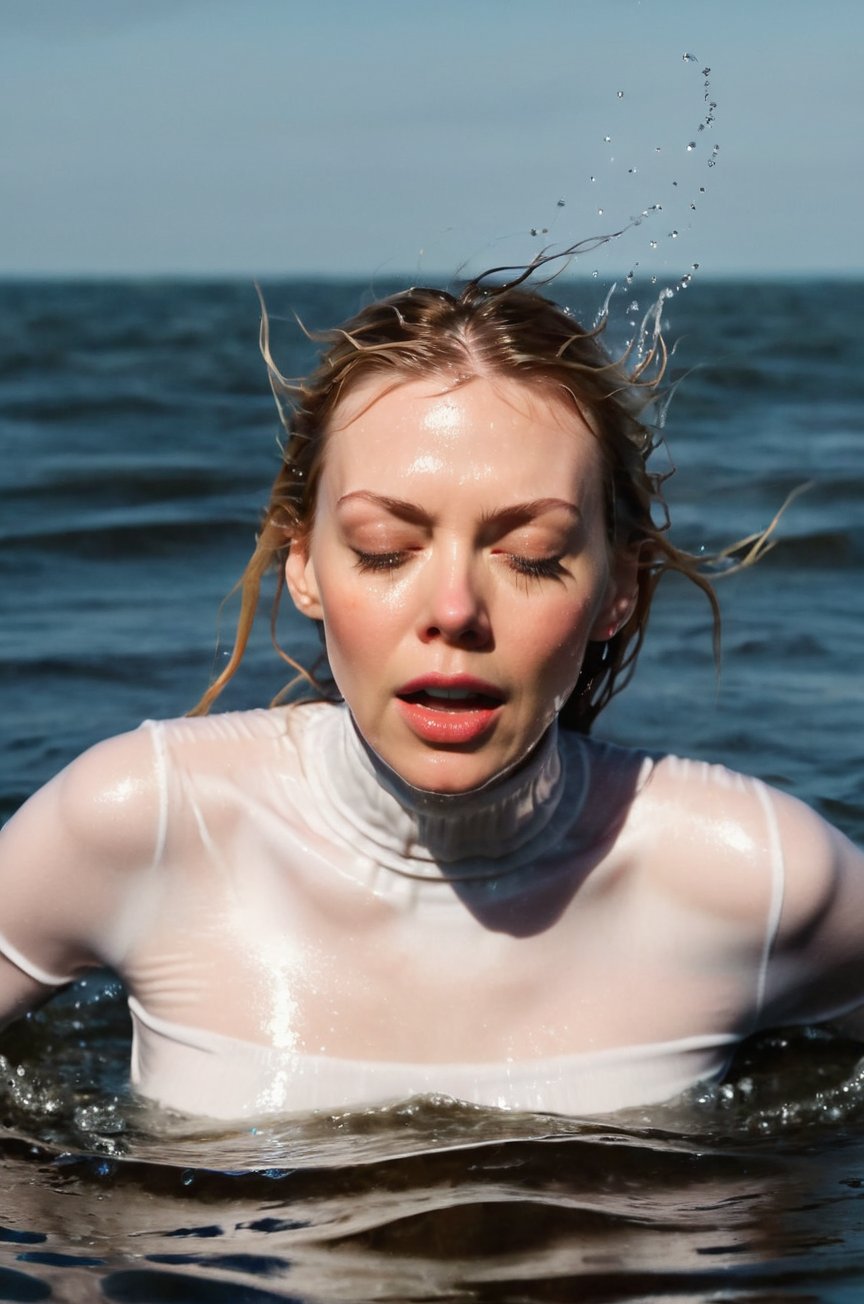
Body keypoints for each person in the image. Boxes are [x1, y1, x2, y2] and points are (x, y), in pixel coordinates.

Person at [1, 277, 862, 1121]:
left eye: (531, 554)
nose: (454, 611)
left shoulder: (759, 876)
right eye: (384, 548)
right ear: (305, 565)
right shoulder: (138, 824)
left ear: (617, 588)